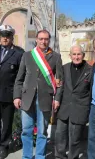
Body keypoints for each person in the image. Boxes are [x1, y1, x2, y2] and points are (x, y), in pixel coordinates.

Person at [13, 29, 63, 159]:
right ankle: (27, 156)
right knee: (26, 130)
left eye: (46, 39)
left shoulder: (56, 57)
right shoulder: (27, 55)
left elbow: (60, 82)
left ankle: (40, 156)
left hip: (45, 99)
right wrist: (17, 96)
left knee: (42, 132)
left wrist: (57, 99)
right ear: (36, 39)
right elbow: (19, 78)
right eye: (41, 39)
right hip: (27, 98)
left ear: (49, 40)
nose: (43, 41)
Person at [0, 25, 24, 159]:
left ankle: (4, 147)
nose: (5, 38)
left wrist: (18, 95)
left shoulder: (19, 53)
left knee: (7, 123)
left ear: (12, 37)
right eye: (3, 35)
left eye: (8, 36)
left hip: (8, 94)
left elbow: (21, 75)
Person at [55, 45, 92, 159]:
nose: (76, 57)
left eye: (79, 54)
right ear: (70, 56)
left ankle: (73, 157)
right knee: (59, 136)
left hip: (79, 109)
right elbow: (60, 86)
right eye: (74, 54)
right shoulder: (64, 68)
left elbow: (91, 92)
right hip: (64, 107)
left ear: (83, 55)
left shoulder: (90, 70)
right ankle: (59, 156)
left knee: (74, 139)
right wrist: (57, 99)